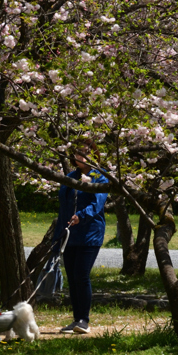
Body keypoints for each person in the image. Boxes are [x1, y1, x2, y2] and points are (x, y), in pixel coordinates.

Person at [54, 140, 108, 334]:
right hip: (70, 234)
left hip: (90, 233)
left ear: (93, 155)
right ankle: (76, 319)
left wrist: (81, 216)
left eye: (85, 153)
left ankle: (84, 319)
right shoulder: (70, 177)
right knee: (72, 276)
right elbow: (63, 207)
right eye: (78, 153)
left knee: (81, 274)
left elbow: (97, 204)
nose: (81, 157)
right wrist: (58, 233)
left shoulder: (100, 178)